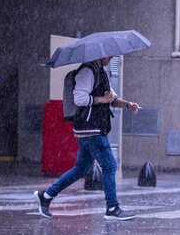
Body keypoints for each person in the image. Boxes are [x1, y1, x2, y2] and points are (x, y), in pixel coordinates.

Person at [34, 56, 140, 220]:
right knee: (110, 165)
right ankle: (112, 208)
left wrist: (127, 104)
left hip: (93, 128)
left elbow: (111, 99)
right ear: (100, 54)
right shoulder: (87, 71)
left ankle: (46, 196)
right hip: (90, 128)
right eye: (109, 55)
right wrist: (102, 99)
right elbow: (80, 99)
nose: (111, 58)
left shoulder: (101, 72)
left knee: (81, 169)